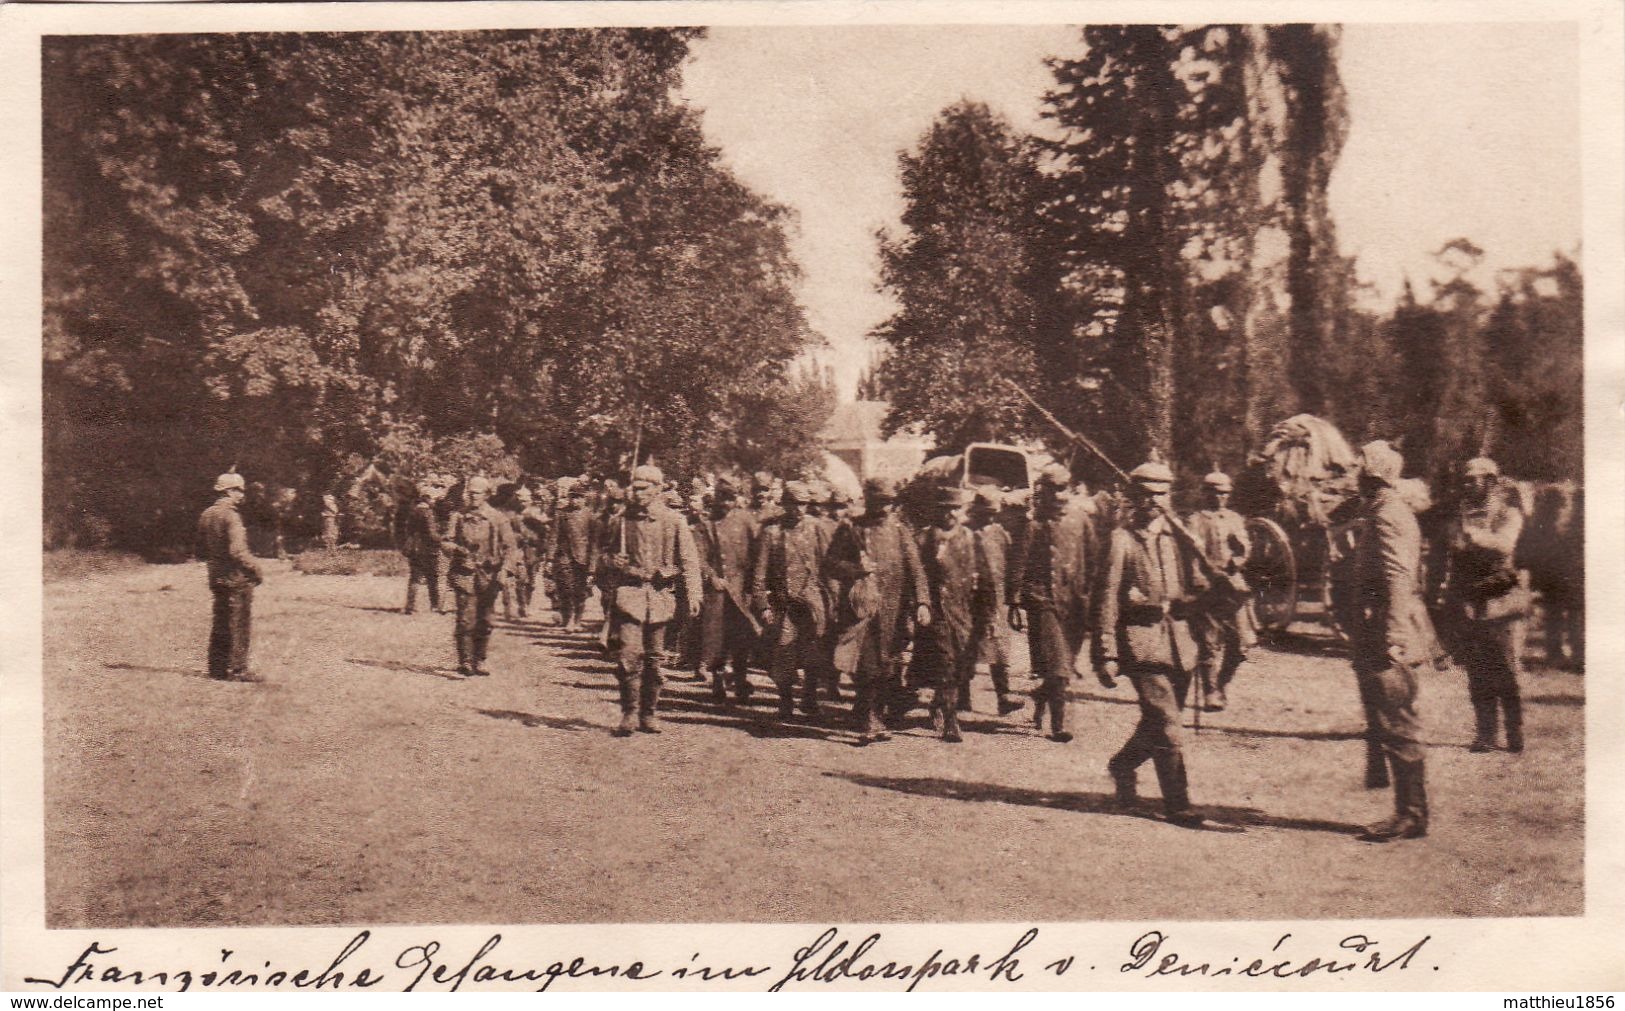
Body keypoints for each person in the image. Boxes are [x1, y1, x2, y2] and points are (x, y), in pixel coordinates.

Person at [1095, 461, 1207, 828]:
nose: (1155, 501)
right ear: (1134, 498)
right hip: (1142, 644)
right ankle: (1179, 805)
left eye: (1162, 494)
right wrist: (1107, 652)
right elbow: (1107, 598)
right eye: (1147, 494)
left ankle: (1122, 765)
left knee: (1156, 724)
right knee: (1167, 724)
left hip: (1181, 643)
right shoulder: (1122, 540)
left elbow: (1199, 587)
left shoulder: (1181, 538)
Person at [1347, 440, 1440, 842]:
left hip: (1387, 634)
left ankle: (1411, 815)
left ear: (1371, 475)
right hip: (1379, 629)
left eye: (1359, 468)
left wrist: (1395, 637)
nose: (1355, 474)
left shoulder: (1388, 514)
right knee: (1390, 721)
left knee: (1399, 722)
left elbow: (1399, 577)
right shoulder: (1381, 510)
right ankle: (1408, 812)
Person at [825, 476, 931, 745]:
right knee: (867, 665)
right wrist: (856, 570)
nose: (884, 508)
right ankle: (870, 719)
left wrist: (922, 602)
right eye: (879, 501)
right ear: (868, 500)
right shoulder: (851, 529)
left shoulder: (899, 531)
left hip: (894, 610)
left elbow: (916, 569)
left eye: (889, 502)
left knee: (888, 665)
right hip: (860, 609)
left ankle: (869, 713)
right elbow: (829, 564)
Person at [600, 465, 702, 736]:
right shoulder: (621, 520)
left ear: (658, 489)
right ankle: (630, 712)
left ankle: (649, 712)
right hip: (629, 596)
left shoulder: (674, 521)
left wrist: (693, 594)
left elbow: (690, 561)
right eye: (635, 486)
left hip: (660, 598)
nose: (637, 492)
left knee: (655, 660)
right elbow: (603, 556)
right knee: (629, 656)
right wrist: (613, 561)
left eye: (644, 487)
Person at [1440, 457, 1528, 753]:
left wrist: (1472, 536)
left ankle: (1515, 733)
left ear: (1490, 481)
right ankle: (1486, 733)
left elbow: (1505, 544)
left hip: (1499, 596)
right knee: (1477, 671)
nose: (1467, 485)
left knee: (1505, 669)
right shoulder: (1459, 512)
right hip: (1469, 598)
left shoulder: (1508, 511)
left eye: (1473, 480)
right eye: (1465, 480)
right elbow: (1452, 547)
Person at [1011, 464, 1094, 742]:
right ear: (1042, 492)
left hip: (1075, 605)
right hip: (1042, 601)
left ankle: (1041, 693)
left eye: (1063, 488)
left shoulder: (1081, 521)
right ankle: (1061, 725)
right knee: (1059, 666)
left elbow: (1093, 561)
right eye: (1053, 489)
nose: (1059, 495)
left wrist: (1091, 598)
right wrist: (1014, 601)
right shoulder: (1032, 525)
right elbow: (1019, 564)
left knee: (1064, 666)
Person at [753, 481, 835, 719]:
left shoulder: (817, 528)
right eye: (794, 504)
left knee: (813, 651)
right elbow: (759, 572)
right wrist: (763, 605)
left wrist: (832, 600)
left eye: (803, 504)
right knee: (783, 653)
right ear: (785, 504)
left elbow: (830, 565)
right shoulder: (772, 533)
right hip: (784, 603)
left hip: (813, 602)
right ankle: (785, 701)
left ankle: (809, 698)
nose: (799, 509)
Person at [915, 485, 981, 744]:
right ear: (937, 510)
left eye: (955, 508)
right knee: (946, 664)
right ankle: (951, 721)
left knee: (963, 666)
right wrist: (921, 606)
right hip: (937, 612)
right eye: (945, 509)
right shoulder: (924, 538)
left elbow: (981, 575)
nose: (951, 514)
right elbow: (917, 574)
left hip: (965, 612)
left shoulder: (969, 538)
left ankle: (937, 703)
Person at [1185, 468, 1253, 711]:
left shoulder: (1234, 519)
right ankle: (1210, 691)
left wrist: (1237, 559)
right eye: (1215, 493)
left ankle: (1222, 684)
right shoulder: (1195, 520)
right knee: (1208, 643)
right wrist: (1200, 581)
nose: (1220, 498)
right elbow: (1192, 555)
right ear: (1205, 494)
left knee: (1240, 646)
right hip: (1208, 590)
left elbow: (1244, 546)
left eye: (1224, 493)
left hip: (1233, 588)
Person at [693, 477, 761, 703]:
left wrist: (755, 584)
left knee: (742, 636)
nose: (727, 503)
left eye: (731, 498)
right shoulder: (706, 524)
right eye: (723, 497)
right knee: (716, 638)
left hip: (742, 589)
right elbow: (699, 558)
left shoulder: (746, 520)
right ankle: (718, 682)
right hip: (718, 591)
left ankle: (741, 680)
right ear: (716, 497)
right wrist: (711, 576)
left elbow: (758, 554)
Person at [445, 476, 516, 678]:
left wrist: (505, 571)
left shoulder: (498, 518)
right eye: (470, 492)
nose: (472, 496)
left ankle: (480, 659)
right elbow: (446, 541)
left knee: (486, 620)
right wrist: (457, 550)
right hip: (464, 573)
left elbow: (511, 548)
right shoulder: (458, 516)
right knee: (465, 619)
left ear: (486, 494)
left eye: (476, 493)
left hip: (489, 575)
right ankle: (465, 661)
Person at [198, 471, 265, 682]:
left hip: (215, 576)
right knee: (239, 622)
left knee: (220, 620)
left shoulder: (206, 515)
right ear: (228, 491)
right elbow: (238, 552)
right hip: (236, 578)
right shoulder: (232, 516)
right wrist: (256, 569)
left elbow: (200, 549)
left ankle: (217, 668)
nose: (242, 495)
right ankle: (238, 669)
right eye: (238, 490)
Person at [966, 487, 1025, 716]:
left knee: (999, 648)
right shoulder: (966, 532)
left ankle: (1003, 697)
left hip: (997, 598)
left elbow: (1010, 566)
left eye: (993, 514)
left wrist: (1013, 598)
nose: (989, 518)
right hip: (972, 598)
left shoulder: (1001, 534)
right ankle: (962, 695)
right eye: (985, 513)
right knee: (968, 647)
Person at [553, 478, 596, 632]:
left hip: (583, 559)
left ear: (584, 499)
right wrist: (549, 558)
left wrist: (592, 567)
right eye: (573, 496)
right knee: (566, 588)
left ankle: (577, 620)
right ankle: (568, 619)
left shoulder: (591, 516)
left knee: (580, 591)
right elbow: (553, 536)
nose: (575, 500)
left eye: (579, 497)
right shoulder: (561, 514)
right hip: (564, 556)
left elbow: (594, 543)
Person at [401, 481, 444, 615]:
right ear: (428, 498)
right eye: (434, 499)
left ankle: (410, 606)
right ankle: (435, 606)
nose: (435, 502)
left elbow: (408, 530)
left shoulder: (413, 511)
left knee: (415, 577)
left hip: (414, 548)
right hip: (428, 549)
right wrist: (443, 539)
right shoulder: (428, 513)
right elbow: (432, 534)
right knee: (432, 578)